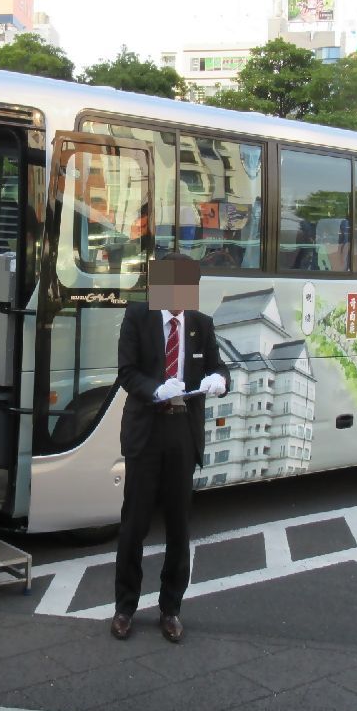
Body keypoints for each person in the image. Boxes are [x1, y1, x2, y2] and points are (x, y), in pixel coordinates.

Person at [111, 254, 229, 644]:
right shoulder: (138, 317)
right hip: (147, 430)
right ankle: (125, 607)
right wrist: (155, 389)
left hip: (183, 431)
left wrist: (217, 380)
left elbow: (220, 368)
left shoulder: (201, 325)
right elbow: (127, 372)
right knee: (135, 524)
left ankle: (171, 609)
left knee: (179, 526)